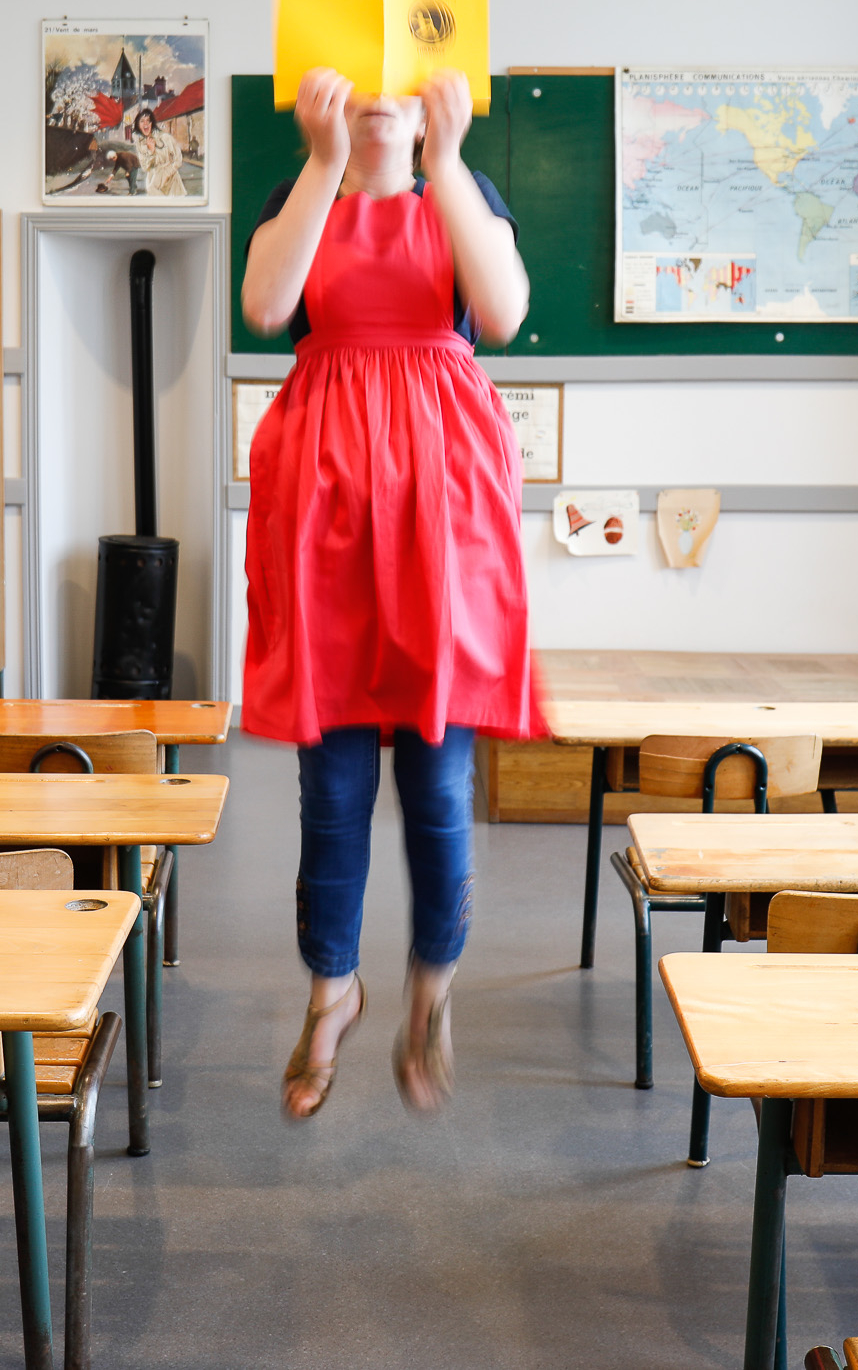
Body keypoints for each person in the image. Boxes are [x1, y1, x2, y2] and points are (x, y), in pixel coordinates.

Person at [241, 65, 539, 1119]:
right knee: (329, 793)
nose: (374, 97)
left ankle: (430, 990)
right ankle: (332, 991)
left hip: (439, 523)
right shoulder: (298, 194)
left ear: (426, 105)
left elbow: (499, 315)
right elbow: (267, 304)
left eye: (396, 87)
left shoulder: (464, 191)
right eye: (350, 78)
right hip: (325, 521)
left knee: (440, 789)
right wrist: (324, 164)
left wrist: (448, 161)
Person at [133, 107, 188, 197]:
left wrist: (168, 173)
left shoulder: (165, 138)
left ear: (152, 123)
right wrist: (151, 151)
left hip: (171, 180)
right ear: (138, 125)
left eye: (148, 121)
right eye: (142, 121)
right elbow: (145, 167)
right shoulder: (141, 145)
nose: (145, 123)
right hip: (154, 180)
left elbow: (178, 158)